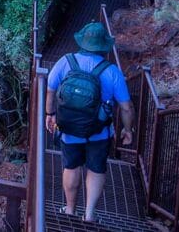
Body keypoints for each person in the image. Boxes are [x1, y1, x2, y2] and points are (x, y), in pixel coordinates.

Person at [45, 22, 134, 223]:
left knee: (71, 166)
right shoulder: (112, 71)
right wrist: (128, 130)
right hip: (99, 132)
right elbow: (127, 107)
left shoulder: (65, 62)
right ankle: (90, 215)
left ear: (82, 42)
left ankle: (69, 211)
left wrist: (49, 114)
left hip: (69, 128)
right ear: (104, 46)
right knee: (96, 168)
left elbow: (50, 88)